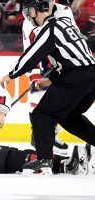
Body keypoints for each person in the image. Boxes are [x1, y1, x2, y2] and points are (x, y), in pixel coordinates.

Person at [0, 0, 95, 175]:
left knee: (41, 114)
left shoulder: (49, 28)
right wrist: (50, 79)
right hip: (90, 76)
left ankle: (44, 161)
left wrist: (11, 74)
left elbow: (31, 56)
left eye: (29, 11)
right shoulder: (65, 23)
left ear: (36, 11)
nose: (27, 16)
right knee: (68, 116)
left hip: (78, 77)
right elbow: (70, 57)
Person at [21, 0, 78, 155]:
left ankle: (52, 133)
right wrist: (35, 77)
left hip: (64, 61)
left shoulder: (64, 11)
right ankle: (40, 135)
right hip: (45, 62)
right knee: (39, 97)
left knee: (65, 103)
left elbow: (72, 38)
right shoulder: (28, 22)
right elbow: (29, 51)